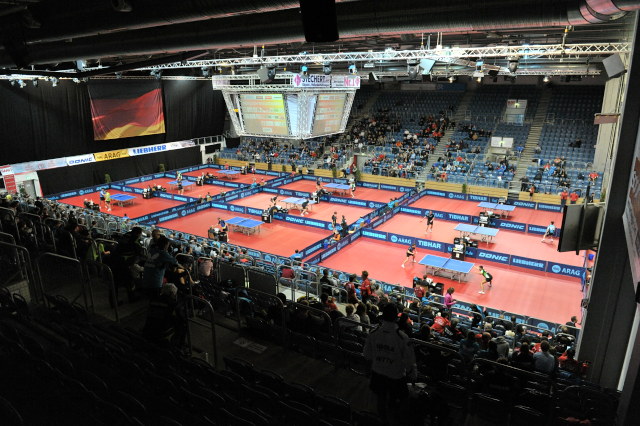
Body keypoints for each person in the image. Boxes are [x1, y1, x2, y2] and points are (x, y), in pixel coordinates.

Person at [363, 303, 417, 425]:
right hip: (396, 377)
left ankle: (381, 420)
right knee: (401, 400)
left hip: (377, 373)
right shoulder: (402, 338)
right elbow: (410, 362)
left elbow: (367, 355)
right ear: (396, 318)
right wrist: (412, 376)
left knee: (381, 398)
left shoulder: (373, 333)